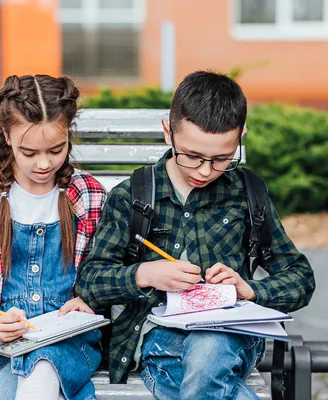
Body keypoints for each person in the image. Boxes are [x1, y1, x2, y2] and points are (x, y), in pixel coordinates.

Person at [76, 71, 316, 399]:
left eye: (221, 159)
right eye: (191, 156)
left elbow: (301, 279)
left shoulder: (247, 193)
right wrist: (143, 274)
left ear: (240, 135)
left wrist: (249, 289)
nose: (205, 170)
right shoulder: (133, 195)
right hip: (159, 338)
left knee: (208, 348)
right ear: (167, 132)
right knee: (197, 374)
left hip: (230, 335)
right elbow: (89, 281)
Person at [0, 74, 107, 400]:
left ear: (69, 134)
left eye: (56, 149)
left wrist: (89, 299)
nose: (44, 163)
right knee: (4, 389)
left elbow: (102, 270)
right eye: (29, 152)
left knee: (43, 368)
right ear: (7, 136)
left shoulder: (88, 195)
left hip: (66, 336)